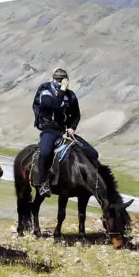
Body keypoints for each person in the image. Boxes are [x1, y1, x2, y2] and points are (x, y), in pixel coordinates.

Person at [32, 68, 99, 197]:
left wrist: (72, 127)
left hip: (64, 130)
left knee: (92, 152)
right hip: (49, 129)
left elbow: (76, 114)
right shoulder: (45, 91)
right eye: (56, 79)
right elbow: (55, 104)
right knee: (45, 152)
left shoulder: (71, 95)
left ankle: (92, 183)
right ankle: (42, 182)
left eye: (61, 80)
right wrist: (62, 89)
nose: (58, 82)